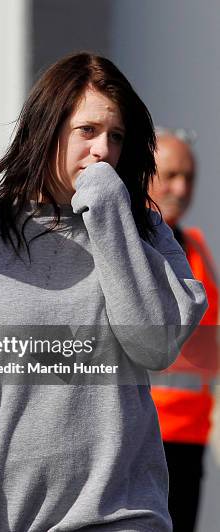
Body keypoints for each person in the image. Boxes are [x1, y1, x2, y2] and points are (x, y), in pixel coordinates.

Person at [0, 52, 208, 531]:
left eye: (116, 137)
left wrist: (111, 215)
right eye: (87, 131)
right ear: (47, 128)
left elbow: (155, 344)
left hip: (120, 512)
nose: (103, 150)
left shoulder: (146, 233)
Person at [148, 129, 218, 531]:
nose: (181, 187)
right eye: (170, 174)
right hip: (145, 435)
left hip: (191, 436)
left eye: (189, 177)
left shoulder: (196, 246)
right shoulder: (130, 243)